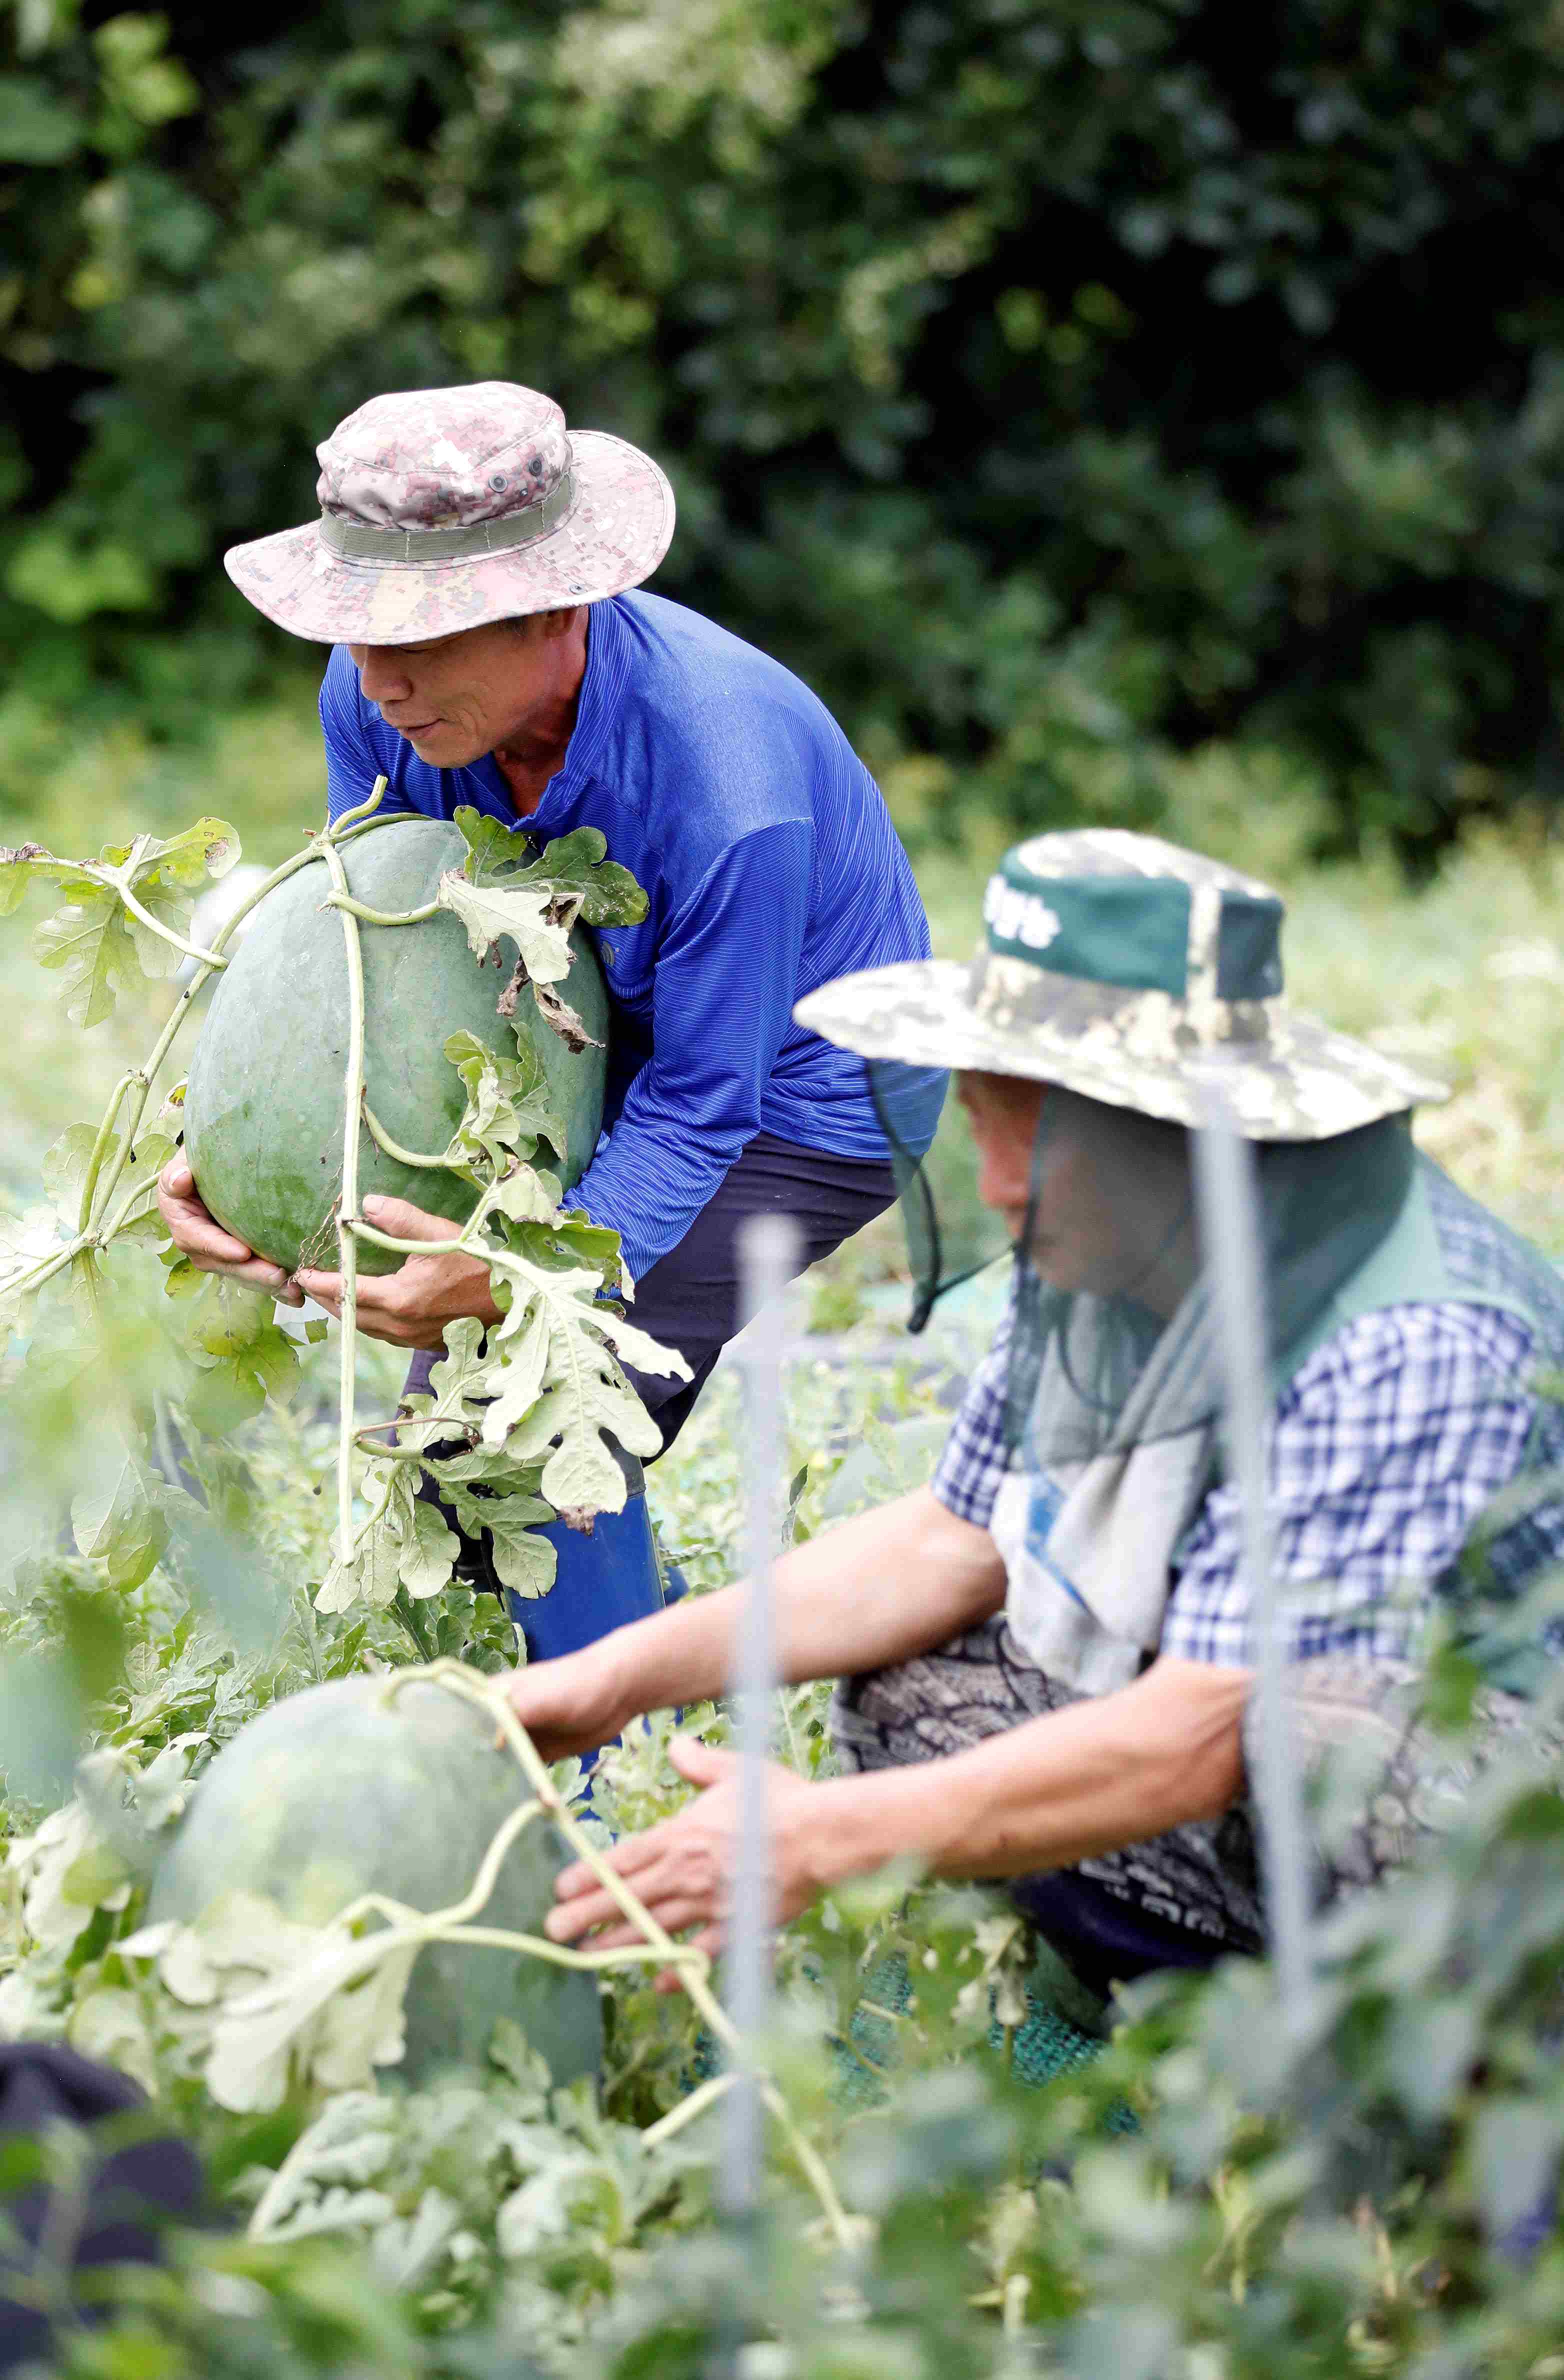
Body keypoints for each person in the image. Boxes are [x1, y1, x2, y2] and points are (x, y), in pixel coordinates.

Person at [508, 829, 1564, 2005]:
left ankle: (1420, 2091)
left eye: (1048, 1129)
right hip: (1259, 1743)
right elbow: (951, 1540)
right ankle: (1208, 2006)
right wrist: (609, 1680)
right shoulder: (1119, 1238)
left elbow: (1212, 1726)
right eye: (988, 1117)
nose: (1003, 1182)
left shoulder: (1405, 1338)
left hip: (1497, 1803)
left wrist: (814, 1838)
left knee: (1318, 1739)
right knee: (922, 1691)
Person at [156, 380, 931, 1660]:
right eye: (359, 631)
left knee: (515, 1419)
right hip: (605, 1039)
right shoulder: (374, 704)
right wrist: (245, 1142)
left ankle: (603, 1766)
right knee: (457, 1443)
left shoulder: (725, 787)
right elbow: (375, 955)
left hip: (806, 1096)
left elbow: (702, 1103)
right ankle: (642, 1641)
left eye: (428, 636)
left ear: (558, 611)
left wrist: (521, 1278)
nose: (384, 678)